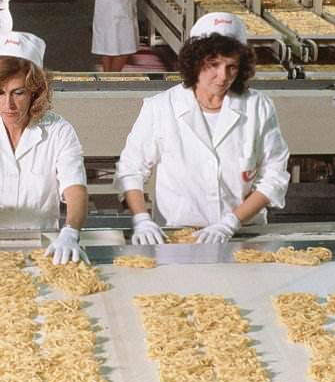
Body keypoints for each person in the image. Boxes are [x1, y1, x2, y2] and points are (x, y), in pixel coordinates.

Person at [115, 13, 290, 244]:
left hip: (242, 234)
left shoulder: (258, 107)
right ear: (196, 62)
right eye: (213, 65)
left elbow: (274, 176)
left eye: (231, 67)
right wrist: (142, 219)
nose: (222, 76)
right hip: (178, 233)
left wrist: (230, 223)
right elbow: (130, 170)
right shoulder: (161, 107)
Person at [0, 31, 88, 263]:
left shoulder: (59, 131)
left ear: (35, 90)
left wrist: (71, 231)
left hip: (39, 248)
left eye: (18, 93)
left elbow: (76, 191)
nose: (7, 105)